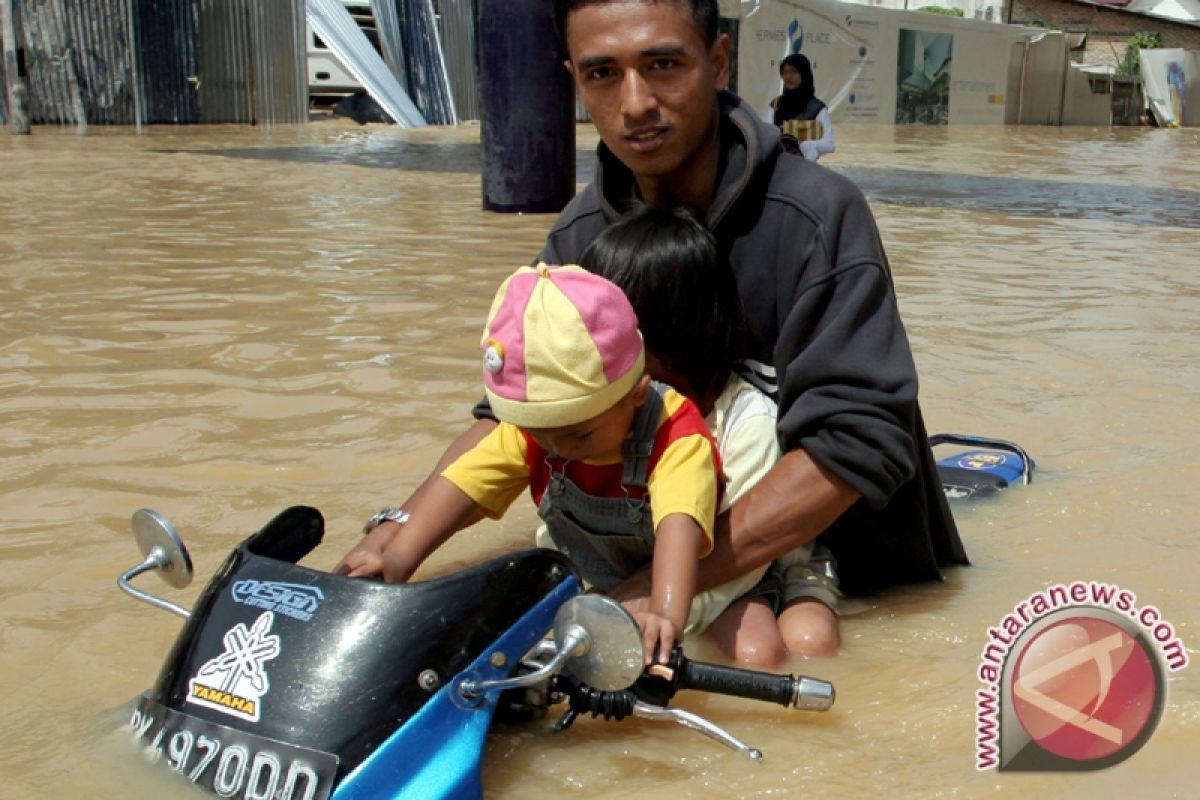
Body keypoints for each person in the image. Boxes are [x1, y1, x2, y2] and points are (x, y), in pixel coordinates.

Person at [359, 0, 965, 659]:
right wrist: (393, 538)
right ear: (574, 79)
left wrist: (650, 594)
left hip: (846, 567)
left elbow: (856, 444)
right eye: (602, 75)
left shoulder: (817, 217)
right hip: (654, 560)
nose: (637, 102)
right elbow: (515, 413)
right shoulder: (582, 234)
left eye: (664, 65)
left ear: (720, 61)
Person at [339, 262, 749, 664]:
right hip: (601, 582)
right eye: (541, 435)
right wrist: (396, 558)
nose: (559, 448)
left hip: (691, 581)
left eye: (579, 434)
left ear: (637, 393)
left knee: (755, 648)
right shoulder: (538, 431)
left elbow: (679, 528)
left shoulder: (676, 437)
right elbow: (459, 487)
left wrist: (663, 616)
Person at [577, 201, 840, 664]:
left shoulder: (746, 422)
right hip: (655, 572)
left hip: (754, 565)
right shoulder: (600, 412)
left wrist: (657, 616)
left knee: (790, 646)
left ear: (667, 336)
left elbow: (740, 558)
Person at [770, 53, 836, 162]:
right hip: (779, 168)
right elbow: (766, 137)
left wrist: (805, 145)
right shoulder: (776, 105)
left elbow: (830, 144)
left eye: (793, 72)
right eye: (785, 72)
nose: (788, 77)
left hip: (806, 170)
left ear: (804, 74)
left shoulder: (817, 109)